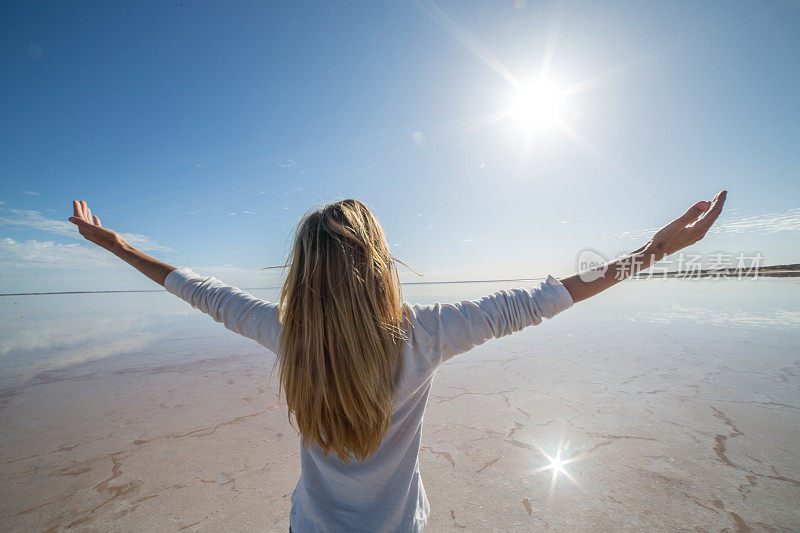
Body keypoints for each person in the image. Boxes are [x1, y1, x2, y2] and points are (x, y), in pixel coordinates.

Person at [68, 191, 727, 532]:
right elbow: (544, 300)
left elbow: (198, 290)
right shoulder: (425, 335)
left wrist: (116, 243)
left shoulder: (286, 333)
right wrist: (653, 250)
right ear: (379, 263)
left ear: (304, 272)